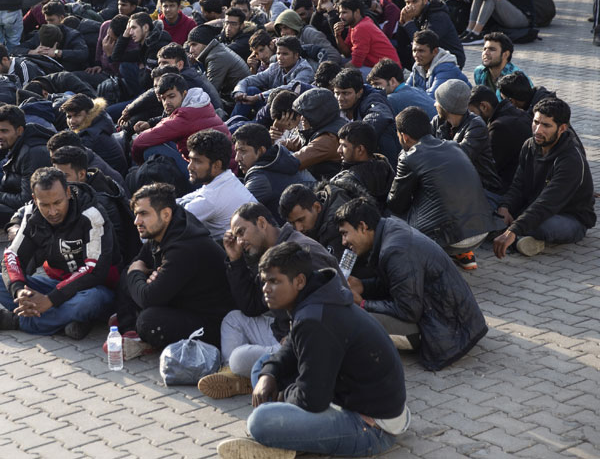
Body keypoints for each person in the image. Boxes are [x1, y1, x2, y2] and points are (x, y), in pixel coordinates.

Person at [214, 242, 407, 459]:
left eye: (274, 281)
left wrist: (282, 395)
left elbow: (313, 399)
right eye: (264, 281)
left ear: (299, 281)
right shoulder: (316, 297)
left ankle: (288, 443)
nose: (265, 289)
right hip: (349, 396)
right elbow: (292, 347)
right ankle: (284, 430)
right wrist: (270, 375)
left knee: (260, 421)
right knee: (264, 366)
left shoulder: (314, 319)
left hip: (371, 428)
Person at [197, 202, 335, 400]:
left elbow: (326, 307)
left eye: (241, 232)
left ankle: (243, 373)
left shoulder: (302, 251)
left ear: (261, 222)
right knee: (233, 319)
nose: (239, 241)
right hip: (283, 330)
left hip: (305, 340)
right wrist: (236, 260)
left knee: (239, 358)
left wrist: (293, 337)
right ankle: (234, 376)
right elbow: (252, 306)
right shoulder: (268, 252)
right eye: (235, 236)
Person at [336, 198, 488, 370]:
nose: (343, 242)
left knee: (354, 318)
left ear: (363, 227)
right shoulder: (390, 227)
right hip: (455, 319)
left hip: (448, 329)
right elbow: (398, 284)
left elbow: (408, 310)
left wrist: (362, 303)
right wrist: (363, 286)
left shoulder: (395, 251)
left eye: (345, 233)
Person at [0, 166, 118, 337]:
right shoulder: (32, 214)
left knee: (89, 301)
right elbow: (13, 256)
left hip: (95, 289)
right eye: (45, 205)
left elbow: (94, 270)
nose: (53, 212)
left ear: (68, 193)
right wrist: (19, 291)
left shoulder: (92, 215)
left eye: (57, 203)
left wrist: (50, 300)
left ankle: (18, 321)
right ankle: (66, 321)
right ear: (34, 199)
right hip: (58, 286)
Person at [115, 183, 233, 357]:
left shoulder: (184, 247)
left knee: (148, 320)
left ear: (166, 214)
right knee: (129, 276)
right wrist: (141, 275)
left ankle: (141, 335)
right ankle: (129, 331)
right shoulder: (164, 229)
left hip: (212, 323)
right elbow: (138, 263)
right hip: (180, 303)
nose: (136, 221)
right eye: (136, 214)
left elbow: (148, 297)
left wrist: (138, 274)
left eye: (143, 214)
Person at [387, 106, 494, 271]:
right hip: (481, 230)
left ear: (404, 137)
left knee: (390, 217)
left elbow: (396, 204)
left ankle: (420, 264)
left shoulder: (410, 157)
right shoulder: (454, 146)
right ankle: (464, 255)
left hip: (450, 239)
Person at [493, 98, 596, 258]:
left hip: (567, 217)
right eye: (535, 122)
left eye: (546, 125)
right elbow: (518, 186)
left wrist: (512, 230)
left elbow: (547, 203)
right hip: (532, 207)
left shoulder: (571, 160)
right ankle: (522, 239)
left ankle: (518, 236)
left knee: (539, 226)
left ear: (562, 128)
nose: (537, 130)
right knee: (492, 208)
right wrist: (505, 207)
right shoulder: (529, 145)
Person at [130, 73, 228, 177]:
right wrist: (150, 124)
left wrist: (140, 164)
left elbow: (139, 142)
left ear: (184, 94)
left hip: (211, 176)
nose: (167, 102)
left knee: (150, 150)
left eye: (171, 96)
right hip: (222, 169)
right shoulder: (199, 103)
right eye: (163, 98)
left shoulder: (185, 116)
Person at [0, 104, 53, 233]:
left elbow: (28, 200)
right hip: (19, 192)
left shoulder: (32, 153)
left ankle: (14, 231)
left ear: (19, 130)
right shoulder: (17, 143)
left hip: (39, 209)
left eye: (4, 131)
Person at [176, 129, 256, 242]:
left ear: (216, 165)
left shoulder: (211, 199)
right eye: (190, 160)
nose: (190, 167)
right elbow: (186, 199)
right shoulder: (227, 180)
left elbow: (169, 225)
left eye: (197, 161)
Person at [431, 79, 503, 196]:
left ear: (447, 106)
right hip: (454, 186)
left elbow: (458, 158)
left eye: (438, 101)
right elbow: (421, 143)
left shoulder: (476, 125)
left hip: (483, 191)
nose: (434, 104)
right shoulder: (438, 121)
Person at [466, 84, 531, 192]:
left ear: (484, 106)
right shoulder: (515, 112)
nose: (471, 118)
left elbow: (489, 168)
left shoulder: (499, 127)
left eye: (472, 113)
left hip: (511, 190)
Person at [398, 0, 464, 68]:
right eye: (407, 2)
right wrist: (402, 22)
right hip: (430, 55)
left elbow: (425, 42)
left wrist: (408, 23)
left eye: (414, 1)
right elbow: (402, 42)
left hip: (450, 59)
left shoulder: (438, 15)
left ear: (425, 0)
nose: (410, 6)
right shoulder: (415, 14)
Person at [334, 0, 399, 72]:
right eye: (340, 13)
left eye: (344, 12)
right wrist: (337, 36)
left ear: (357, 12)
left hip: (389, 72)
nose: (340, 16)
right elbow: (347, 53)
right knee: (337, 59)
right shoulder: (354, 25)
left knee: (347, 75)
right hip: (376, 67)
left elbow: (355, 64)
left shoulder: (361, 28)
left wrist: (338, 72)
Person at [403, 29, 468, 97]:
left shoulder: (446, 68)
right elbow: (405, 90)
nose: (416, 55)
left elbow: (432, 98)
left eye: (421, 51)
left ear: (435, 51)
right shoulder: (418, 65)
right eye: (414, 50)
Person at [367, 58, 437, 118]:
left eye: (377, 84)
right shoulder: (416, 90)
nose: (374, 89)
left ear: (392, 81)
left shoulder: (391, 99)